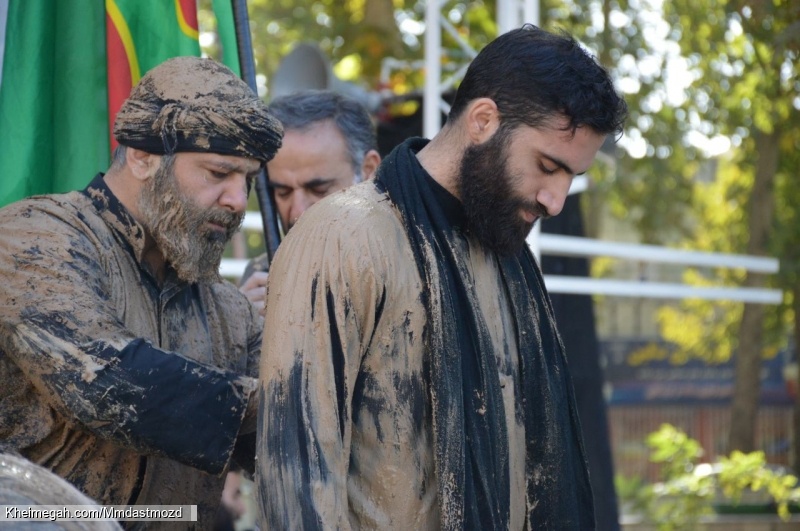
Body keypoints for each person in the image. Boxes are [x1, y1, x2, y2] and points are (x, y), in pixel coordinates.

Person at [257, 24, 627, 530]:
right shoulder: (344, 236)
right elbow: (296, 478)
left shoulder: (509, 257)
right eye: (546, 165)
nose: (555, 200)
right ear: (483, 120)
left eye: (570, 178)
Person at [0, 56, 283, 527]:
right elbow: (108, 383)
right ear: (142, 156)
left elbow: (282, 446)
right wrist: (291, 393)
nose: (238, 200)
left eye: (248, 180)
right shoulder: (32, 237)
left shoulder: (228, 310)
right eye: (219, 173)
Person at [238, 90, 381, 310]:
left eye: (318, 189)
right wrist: (242, 329)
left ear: (368, 170)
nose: (297, 212)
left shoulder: (416, 263)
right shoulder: (263, 274)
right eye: (283, 192)